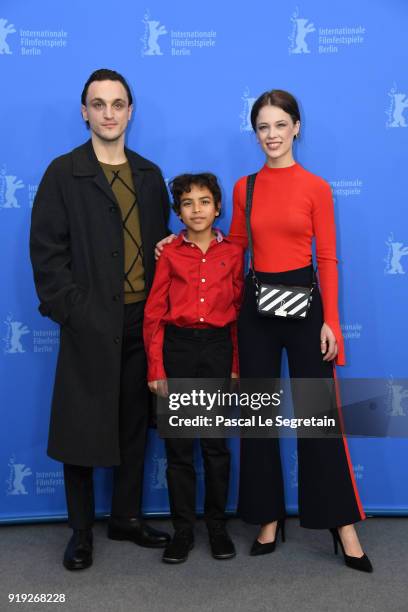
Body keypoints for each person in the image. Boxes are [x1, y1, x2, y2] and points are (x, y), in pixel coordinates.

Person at [29, 68, 170, 571]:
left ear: (131, 111)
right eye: (98, 104)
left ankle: (126, 518)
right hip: (90, 321)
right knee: (81, 426)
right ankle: (81, 531)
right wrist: (75, 310)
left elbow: (162, 248)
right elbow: (47, 255)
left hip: (142, 322)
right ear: (85, 111)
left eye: (117, 104)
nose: (109, 113)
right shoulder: (63, 173)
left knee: (136, 424)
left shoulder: (151, 177)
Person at [229, 89, 372, 572]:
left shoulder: (316, 187)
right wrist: (184, 242)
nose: (271, 135)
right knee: (257, 415)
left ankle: (341, 525)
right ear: (256, 133)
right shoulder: (243, 187)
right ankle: (267, 518)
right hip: (256, 310)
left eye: (279, 125)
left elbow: (327, 258)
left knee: (318, 417)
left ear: (296, 128)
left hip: (306, 308)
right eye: (262, 127)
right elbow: (235, 246)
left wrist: (331, 320)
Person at [143, 173, 244, 563]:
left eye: (204, 201)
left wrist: (235, 364)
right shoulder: (169, 253)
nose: (197, 209)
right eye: (188, 203)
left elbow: (237, 313)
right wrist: (156, 367)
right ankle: (183, 530)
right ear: (178, 212)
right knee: (180, 449)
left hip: (217, 350)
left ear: (218, 208)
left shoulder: (233, 253)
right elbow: (154, 313)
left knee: (215, 446)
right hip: (178, 350)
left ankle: (217, 527)